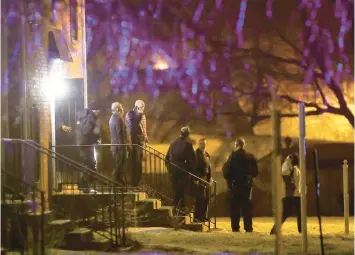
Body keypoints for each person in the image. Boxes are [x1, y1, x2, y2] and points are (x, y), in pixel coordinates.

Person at [223, 138, 258, 233]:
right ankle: (248, 227)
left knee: (235, 208)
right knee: (247, 208)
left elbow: (225, 172)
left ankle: (235, 227)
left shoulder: (232, 157)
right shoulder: (250, 157)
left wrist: (229, 182)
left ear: (236, 145)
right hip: (246, 186)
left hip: (235, 186)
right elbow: (255, 172)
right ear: (243, 145)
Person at [165, 127, 197, 214]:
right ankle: (180, 211)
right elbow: (193, 161)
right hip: (182, 171)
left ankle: (176, 210)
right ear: (188, 134)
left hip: (173, 171)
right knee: (182, 192)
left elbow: (167, 158)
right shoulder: (187, 145)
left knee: (176, 191)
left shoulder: (173, 143)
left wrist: (170, 169)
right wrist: (190, 171)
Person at [270, 153, 301, 235]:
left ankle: (301, 230)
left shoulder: (291, 166)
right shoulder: (287, 165)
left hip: (295, 193)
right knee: (286, 213)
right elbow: (285, 176)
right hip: (290, 194)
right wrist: (291, 187)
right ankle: (274, 229)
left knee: (299, 212)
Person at [76, 101, 101, 191]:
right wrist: (94, 139)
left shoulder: (84, 116)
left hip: (83, 144)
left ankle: (85, 186)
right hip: (86, 145)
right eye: (98, 111)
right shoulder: (90, 118)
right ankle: (85, 186)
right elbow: (86, 132)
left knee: (88, 164)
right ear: (95, 110)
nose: (99, 113)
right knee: (89, 165)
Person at [125, 99, 148, 186]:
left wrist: (145, 137)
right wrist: (139, 114)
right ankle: (133, 182)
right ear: (136, 107)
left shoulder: (143, 115)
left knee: (139, 162)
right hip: (133, 141)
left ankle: (137, 182)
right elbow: (133, 127)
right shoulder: (130, 114)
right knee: (135, 162)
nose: (143, 109)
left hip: (141, 141)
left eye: (143, 107)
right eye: (141, 107)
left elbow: (144, 127)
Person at [109, 102, 129, 185]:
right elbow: (119, 133)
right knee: (120, 165)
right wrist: (123, 147)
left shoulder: (111, 118)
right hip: (119, 147)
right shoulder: (118, 118)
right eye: (121, 107)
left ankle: (118, 182)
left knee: (119, 164)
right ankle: (115, 181)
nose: (123, 109)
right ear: (117, 109)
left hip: (115, 146)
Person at [194, 138, 212, 222]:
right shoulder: (196, 154)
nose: (203, 145)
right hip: (200, 178)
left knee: (207, 198)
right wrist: (196, 178)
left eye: (204, 144)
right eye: (201, 144)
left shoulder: (207, 154)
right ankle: (198, 217)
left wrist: (210, 178)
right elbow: (194, 167)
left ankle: (204, 215)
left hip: (206, 179)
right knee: (201, 198)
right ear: (199, 144)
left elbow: (208, 167)